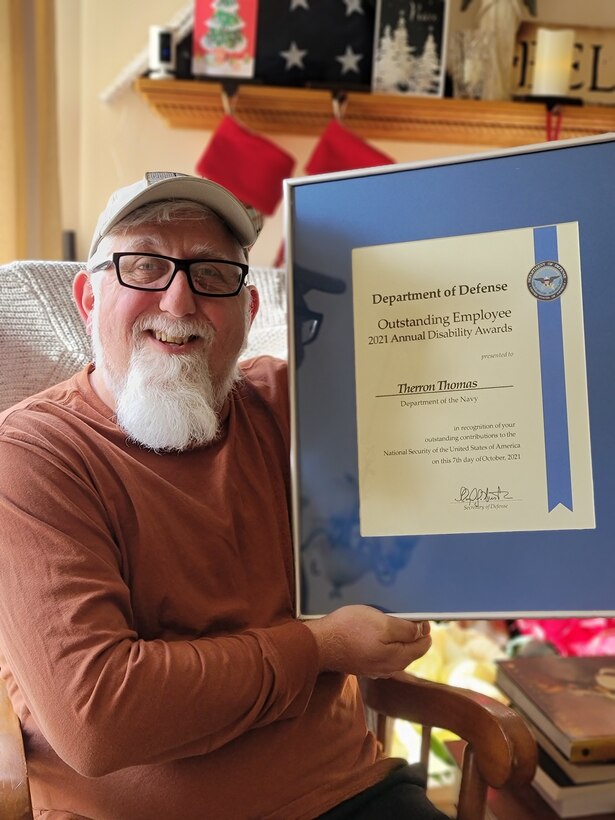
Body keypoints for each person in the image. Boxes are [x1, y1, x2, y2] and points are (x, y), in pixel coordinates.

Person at [0, 172, 447, 819]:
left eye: (212, 273)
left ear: (250, 311)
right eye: (144, 266)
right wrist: (320, 648)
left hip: (348, 795)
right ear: (89, 300)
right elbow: (97, 718)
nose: (178, 301)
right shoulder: (32, 455)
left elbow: (438, 407)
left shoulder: (291, 405)